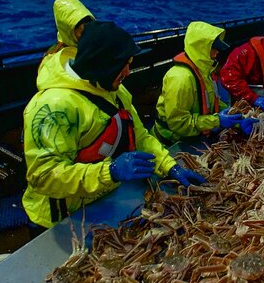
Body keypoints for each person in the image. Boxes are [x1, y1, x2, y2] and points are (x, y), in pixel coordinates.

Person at [22, 21, 205, 229]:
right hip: (60, 219)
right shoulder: (53, 108)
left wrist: (169, 166)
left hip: (101, 202)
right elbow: (44, 176)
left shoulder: (115, 91)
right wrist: (111, 171)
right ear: (103, 65)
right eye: (123, 65)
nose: (128, 72)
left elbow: (140, 136)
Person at [154, 21, 258, 145]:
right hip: (170, 144)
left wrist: (236, 118)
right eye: (214, 48)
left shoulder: (204, 71)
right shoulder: (181, 78)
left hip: (194, 137)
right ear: (201, 48)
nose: (217, 52)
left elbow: (212, 101)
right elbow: (179, 123)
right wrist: (217, 121)